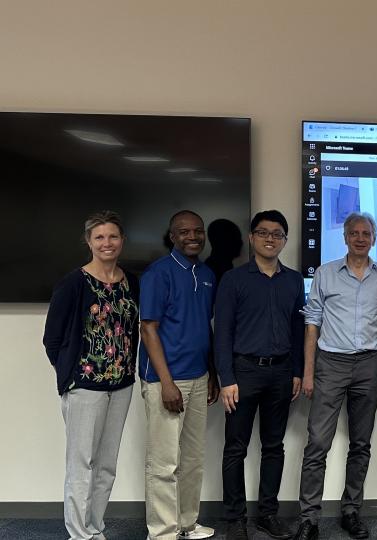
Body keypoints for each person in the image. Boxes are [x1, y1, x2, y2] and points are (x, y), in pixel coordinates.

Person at [293, 212, 377, 540]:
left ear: (374, 239)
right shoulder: (325, 274)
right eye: (355, 233)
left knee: (361, 443)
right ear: (346, 237)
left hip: (369, 364)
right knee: (317, 444)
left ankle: (351, 511)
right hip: (330, 363)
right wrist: (308, 372)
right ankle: (309, 517)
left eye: (367, 233)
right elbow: (312, 324)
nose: (361, 238)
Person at [42, 211, 139, 540]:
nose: (106, 243)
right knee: (82, 465)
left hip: (121, 387)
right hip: (84, 389)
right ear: (88, 242)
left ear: (122, 240)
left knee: (106, 465)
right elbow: (52, 340)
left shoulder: (132, 282)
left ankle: (96, 528)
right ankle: (80, 534)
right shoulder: (73, 283)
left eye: (112, 236)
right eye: (99, 237)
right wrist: (71, 376)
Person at [215, 210, 305, 540]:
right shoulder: (234, 279)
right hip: (243, 372)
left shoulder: (294, 280)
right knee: (235, 448)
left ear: (285, 239)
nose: (270, 238)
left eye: (277, 233)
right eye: (263, 232)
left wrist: (296, 371)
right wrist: (226, 378)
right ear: (252, 237)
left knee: (273, 446)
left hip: (281, 372)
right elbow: (222, 332)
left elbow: (298, 329)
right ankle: (235, 518)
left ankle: (268, 513)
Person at [139, 210, 220, 540]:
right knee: (164, 463)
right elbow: (148, 329)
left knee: (193, 459)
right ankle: (162, 532)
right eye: (184, 232)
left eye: (198, 231)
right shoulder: (158, 274)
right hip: (166, 380)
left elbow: (205, 327)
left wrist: (212, 372)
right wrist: (166, 382)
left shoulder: (207, 273)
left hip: (199, 377)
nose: (193, 236)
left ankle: (187, 523)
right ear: (172, 236)